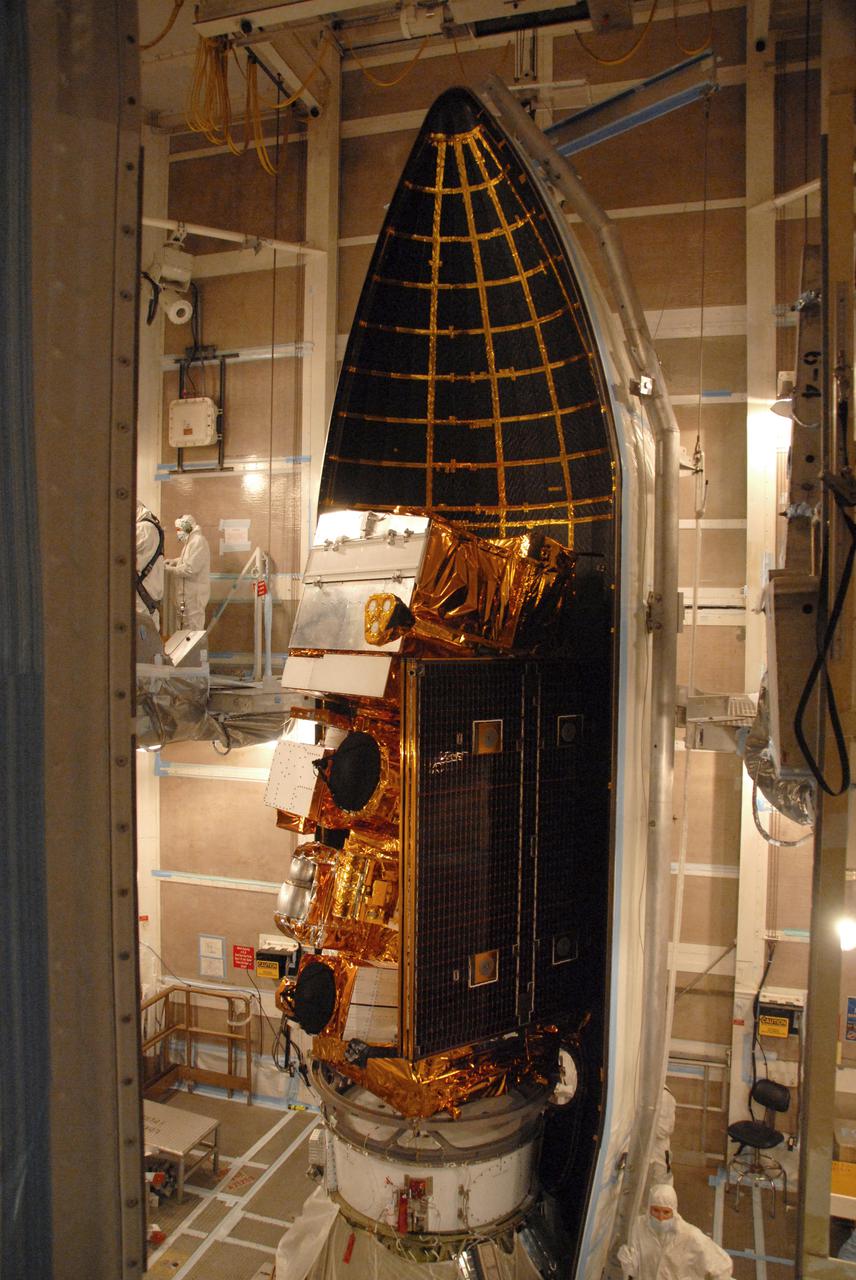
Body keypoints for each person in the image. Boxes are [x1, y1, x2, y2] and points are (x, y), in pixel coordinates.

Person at [618, 1184, 732, 1280]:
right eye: (656, 1211)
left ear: (674, 1211)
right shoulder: (639, 1226)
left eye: (666, 1212)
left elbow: (722, 1266)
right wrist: (629, 1262)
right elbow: (637, 1267)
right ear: (649, 1209)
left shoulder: (690, 1236)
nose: (660, 1217)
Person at [165, 513, 210, 631]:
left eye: (179, 529)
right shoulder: (190, 542)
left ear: (187, 527)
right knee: (185, 630)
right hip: (188, 596)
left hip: (194, 597)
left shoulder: (198, 541)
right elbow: (189, 560)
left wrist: (171, 570)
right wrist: (175, 561)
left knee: (193, 630)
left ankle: (194, 650)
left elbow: (191, 569)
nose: (178, 532)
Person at [135, 501, 165, 630]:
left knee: (142, 643)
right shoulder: (150, 527)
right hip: (146, 598)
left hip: (141, 598)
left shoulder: (144, 528)